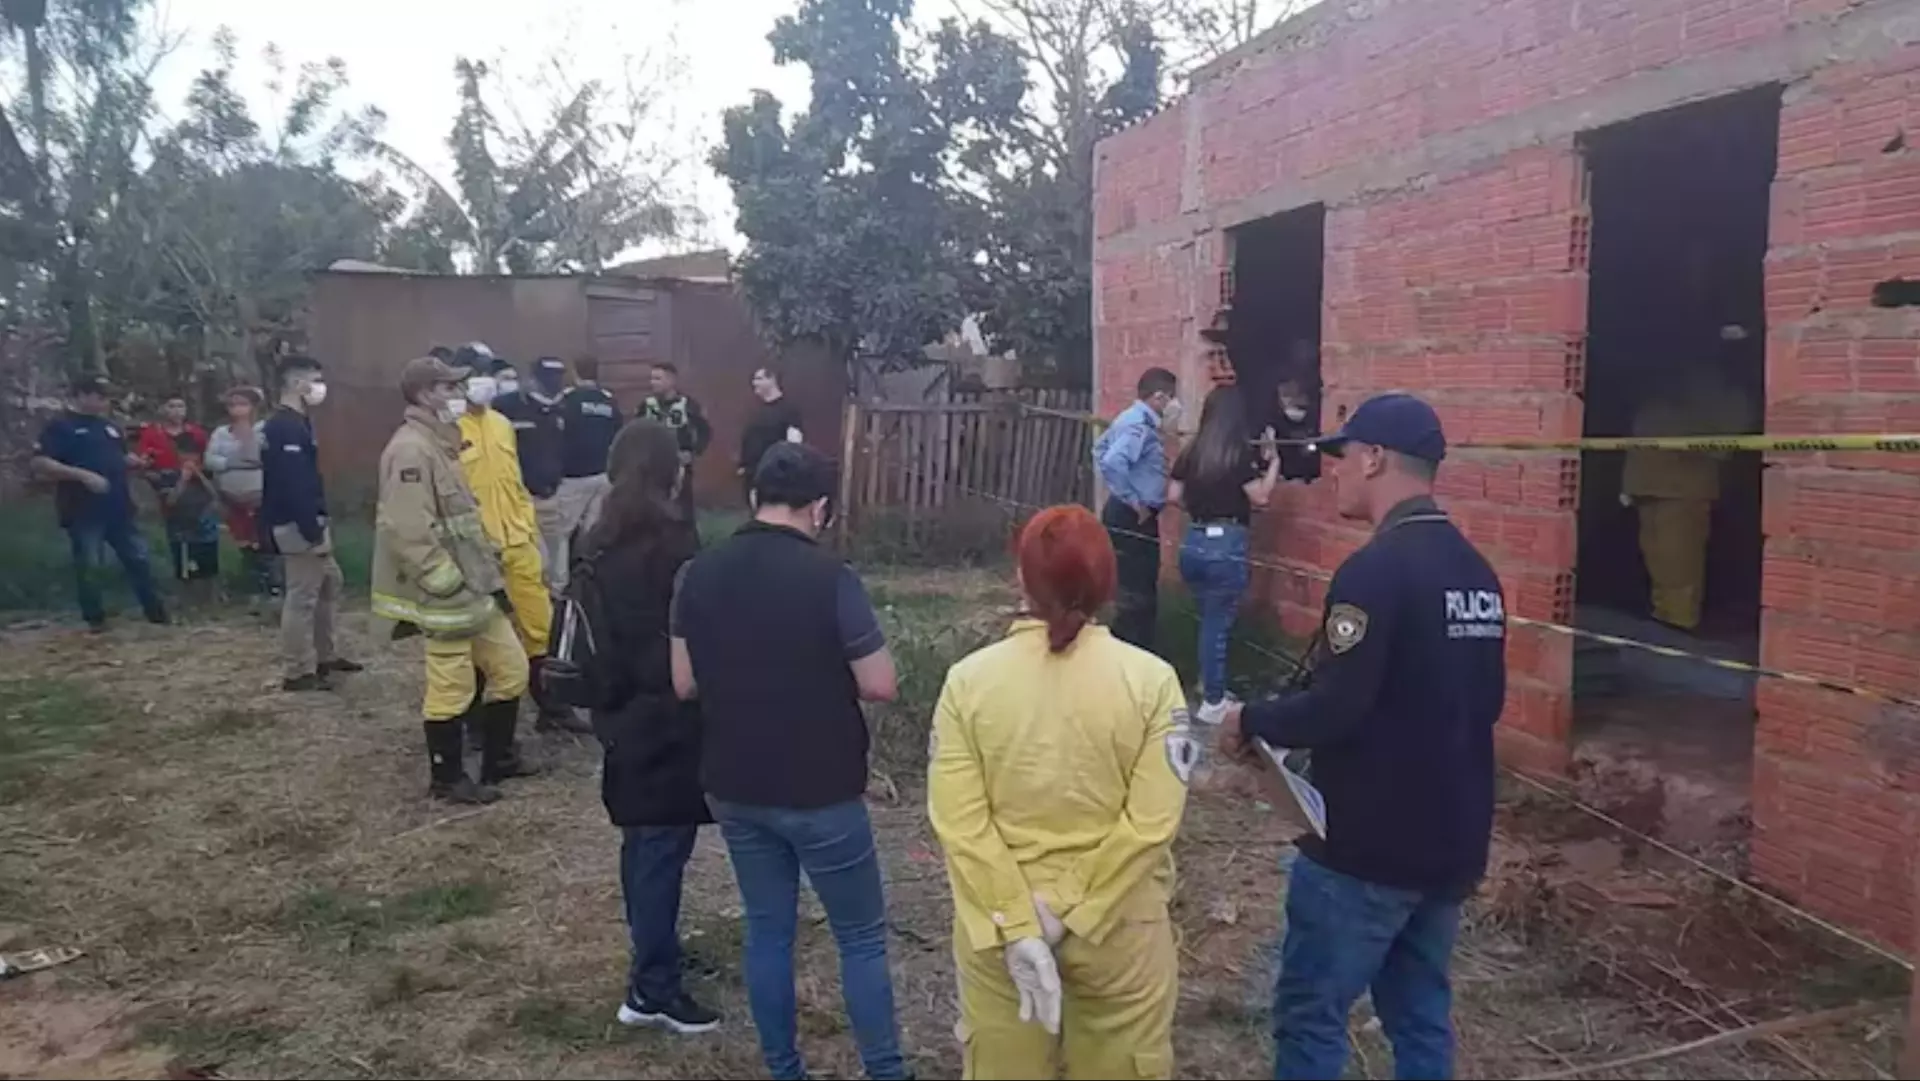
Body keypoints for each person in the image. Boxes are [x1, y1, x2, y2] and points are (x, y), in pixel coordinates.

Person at [1219, 392, 1506, 1081]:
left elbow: (1336, 705)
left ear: (1375, 458)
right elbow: (1487, 701)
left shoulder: (1373, 572)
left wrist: (1249, 720)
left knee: (1311, 1014)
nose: (1335, 471)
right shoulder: (1477, 574)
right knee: (1419, 1016)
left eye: (1342, 456)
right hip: (1450, 842)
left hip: (1367, 848)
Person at [671, 443, 909, 1081]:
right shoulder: (831, 577)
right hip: (821, 785)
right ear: (820, 508)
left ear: (755, 498)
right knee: (859, 936)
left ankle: (784, 1069)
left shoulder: (696, 573)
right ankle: (886, 1071)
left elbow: (684, 682)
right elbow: (880, 682)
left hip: (734, 782)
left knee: (768, 929)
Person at [928, 504, 1192, 1080]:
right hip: (1120, 931)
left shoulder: (968, 683)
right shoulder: (1152, 682)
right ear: (1107, 583)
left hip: (999, 931)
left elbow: (960, 823)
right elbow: (1151, 823)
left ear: (1021, 578)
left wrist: (1019, 923)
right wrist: (1068, 910)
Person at [577, 419, 721, 1035]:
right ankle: (653, 989)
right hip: (670, 712)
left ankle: (652, 954)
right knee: (662, 848)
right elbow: (701, 629)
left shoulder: (595, 539)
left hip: (616, 706)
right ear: (669, 472)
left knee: (640, 843)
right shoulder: (674, 545)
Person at [373, 354, 532, 805]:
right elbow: (408, 528)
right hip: (446, 592)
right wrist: (443, 581)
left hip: (475, 585)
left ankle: (499, 758)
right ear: (425, 394)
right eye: (449, 387)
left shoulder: (441, 442)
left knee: (511, 669)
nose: (459, 395)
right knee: (451, 685)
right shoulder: (410, 450)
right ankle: (447, 778)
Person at [456, 362, 584, 736]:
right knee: (482, 636)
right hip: (479, 549)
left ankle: (552, 707)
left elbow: (514, 482)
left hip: (519, 542)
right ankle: (476, 720)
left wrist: (527, 530)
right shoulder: (448, 431)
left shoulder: (501, 424)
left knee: (541, 627)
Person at [1620, 324, 1759, 632]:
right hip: (1648, 487)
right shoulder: (1661, 401)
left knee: (1679, 564)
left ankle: (1680, 627)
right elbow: (1640, 440)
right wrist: (1628, 486)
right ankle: (1663, 623)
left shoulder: (1726, 397)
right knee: (1657, 562)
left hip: (1684, 489)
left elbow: (1723, 444)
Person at [1170, 385, 1280, 725]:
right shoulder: (1237, 455)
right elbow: (1261, 497)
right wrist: (1274, 463)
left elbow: (1173, 495)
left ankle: (1209, 684)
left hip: (1194, 540)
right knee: (1216, 625)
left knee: (1208, 620)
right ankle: (1213, 702)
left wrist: (1200, 506)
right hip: (1226, 542)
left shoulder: (1192, 451)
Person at [30, 376, 168, 631]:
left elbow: (119, 455)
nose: (104, 402)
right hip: (82, 508)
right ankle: (95, 619)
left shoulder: (109, 427)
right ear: (81, 396)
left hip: (119, 506)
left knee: (139, 559)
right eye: (99, 396)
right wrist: (83, 476)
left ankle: (156, 613)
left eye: (106, 397)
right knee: (90, 564)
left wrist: (134, 462)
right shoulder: (61, 426)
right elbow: (40, 463)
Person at [262, 355, 360, 692]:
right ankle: (297, 671)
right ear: (295, 383)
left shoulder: (299, 422)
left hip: (311, 518)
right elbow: (292, 484)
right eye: (314, 380)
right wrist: (310, 528)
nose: (320, 387)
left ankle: (325, 655)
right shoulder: (284, 426)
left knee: (329, 582)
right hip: (298, 523)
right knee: (302, 596)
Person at [1093, 367, 1179, 652]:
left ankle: (1124, 647)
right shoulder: (1139, 425)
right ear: (1159, 397)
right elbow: (1111, 461)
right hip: (1133, 516)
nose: (1175, 405)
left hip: (1124, 512)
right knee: (1139, 589)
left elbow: (1099, 450)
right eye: (1172, 397)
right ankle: (1137, 650)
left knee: (1129, 585)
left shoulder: (1128, 418)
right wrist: (1134, 500)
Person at [497, 356, 570, 589]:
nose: (554, 383)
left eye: (558, 377)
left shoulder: (563, 407)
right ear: (534, 379)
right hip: (521, 499)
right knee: (535, 563)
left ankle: (557, 602)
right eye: (548, 378)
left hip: (553, 496)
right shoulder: (508, 406)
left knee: (558, 563)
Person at [554, 355, 623, 580]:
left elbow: (558, 433)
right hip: (603, 474)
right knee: (592, 531)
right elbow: (618, 434)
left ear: (575, 372)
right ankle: (591, 579)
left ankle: (560, 584)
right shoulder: (608, 401)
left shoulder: (567, 400)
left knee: (560, 533)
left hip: (573, 477)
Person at [206, 387, 277, 598]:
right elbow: (210, 460)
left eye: (243, 404)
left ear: (253, 407)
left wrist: (244, 456)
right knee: (243, 542)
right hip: (230, 496)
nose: (237, 408)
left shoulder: (264, 429)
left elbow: (259, 457)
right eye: (233, 404)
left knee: (264, 541)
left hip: (260, 496)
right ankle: (252, 585)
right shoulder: (220, 433)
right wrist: (230, 462)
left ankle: (273, 585)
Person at [135, 395, 211, 584]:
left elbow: (207, 459)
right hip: (167, 486)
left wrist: (196, 473)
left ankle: (205, 577)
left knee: (202, 534)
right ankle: (183, 576)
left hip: (197, 488)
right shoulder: (152, 433)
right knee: (177, 534)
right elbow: (142, 464)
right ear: (163, 409)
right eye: (172, 406)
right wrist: (154, 476)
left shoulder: (197, 433)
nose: (177, 411)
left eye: (180, 406)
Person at [641, 361, 712, 517]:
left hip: (679, 467)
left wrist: (693, 452)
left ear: (671, 380)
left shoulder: (687, 405)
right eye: (651, 378)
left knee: (682, 511)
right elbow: (634, 433)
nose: (652, 383)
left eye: (657, 379)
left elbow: (704, 431)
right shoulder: (646, 406)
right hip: (652, 467)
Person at [736, 365, 802, 504]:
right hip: (754, 476)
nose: (754, 383)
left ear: (772, 379)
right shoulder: (758, 411)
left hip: (775, 478)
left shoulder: (788, 411)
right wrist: (743, 464)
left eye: (759, 378)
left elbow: (794, 446)